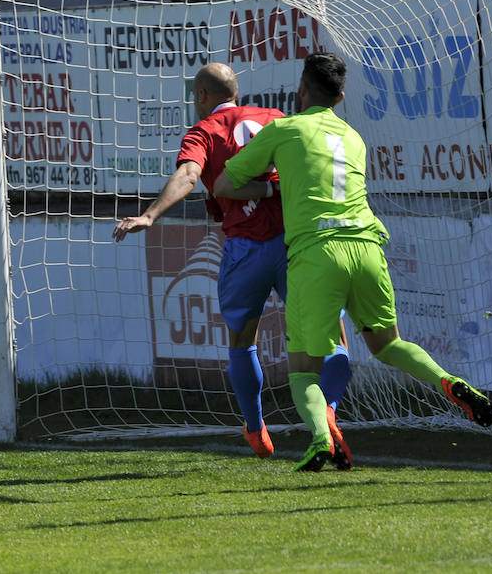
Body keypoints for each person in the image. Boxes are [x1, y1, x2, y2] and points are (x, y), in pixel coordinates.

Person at [215, 52, 492, 471]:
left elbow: (224, 183)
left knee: (302, 371)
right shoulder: (354, 137)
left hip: (317, 254)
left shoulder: (284, 130)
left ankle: (321, 440)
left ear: (301, 90)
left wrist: (274, 190)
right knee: (388, 344)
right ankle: (448, 382)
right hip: (367, 247)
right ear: (341, 97)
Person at [113, 63, 353, 465]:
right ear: (235, 92)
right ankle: (327, 417)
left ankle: (256, 427)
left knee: (243, 342)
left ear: (202, 97)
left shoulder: (204, 131)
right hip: (296, 244)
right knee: (334, 337)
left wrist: (151, 215)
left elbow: (189, 175)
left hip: (245, 249)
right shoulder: (275, 119)